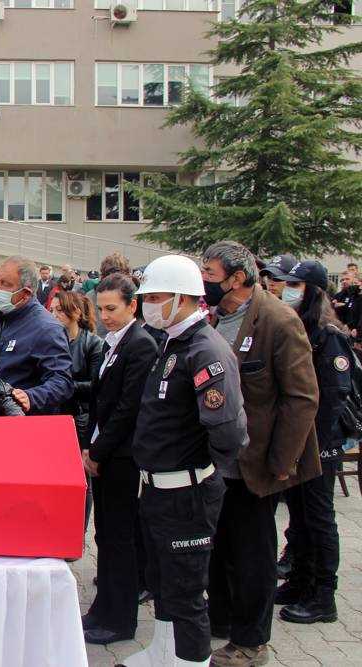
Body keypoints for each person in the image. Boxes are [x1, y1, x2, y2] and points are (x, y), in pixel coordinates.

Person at [119, 254, 248, 667]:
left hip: (187, 491)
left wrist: (201, 476)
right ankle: (164, 651)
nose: (149, 305)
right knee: (163, 580)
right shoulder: (172, 341)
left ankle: (192, 661)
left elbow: (227, 431)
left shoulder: (206, 349)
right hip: (158, 487)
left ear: (183, 297)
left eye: (156, 297)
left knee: (188, 590)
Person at [196, 242, 321, 667]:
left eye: (210, 273)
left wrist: (281, 463)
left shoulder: (277, 320)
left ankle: (252, 642)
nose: (204, 281)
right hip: (218, 463)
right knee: (222, 547)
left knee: (253, 555)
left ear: (237, 277)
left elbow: (302, 398)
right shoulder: (214, 319)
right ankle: (225, 619)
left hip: (258, 464)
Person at [80, 273, 158, 646]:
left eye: (112, 309)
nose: (105, 315)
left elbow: (128, 408)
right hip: (105, 453)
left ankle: (120, 618)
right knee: (106, 535)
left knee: (120, 539)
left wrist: (97, 451)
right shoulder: (114, 342)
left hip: (122, 456)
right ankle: (103, 607)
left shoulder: (140, 345)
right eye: (101, 308)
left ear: (133, 306)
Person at [277, 260, 352, 626]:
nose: (287, 289)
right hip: (299, 442)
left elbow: (334, 396)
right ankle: (299, 580)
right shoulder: (298, 329)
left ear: (313, 291)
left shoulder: (328, 335)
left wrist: (314, 447)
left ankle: (324, 595)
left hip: (321, 443)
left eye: (295, 284)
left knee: (319, 518)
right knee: (300, 515)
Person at [0, 257, 74, 415]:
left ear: (26, 293)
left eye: (5, 284)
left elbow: (62, 382)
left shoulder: (47, 329)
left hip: (24, 422)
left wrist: (31, 397)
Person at [50, 290, 102, 513]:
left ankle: (79, 529)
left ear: (75, 313)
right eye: (51, 310)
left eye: (59, 310)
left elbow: (96, 386)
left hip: (80, 417)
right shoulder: (50, 340)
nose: (53, 315)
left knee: (81, 479)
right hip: (53, 416)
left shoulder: (92, 343)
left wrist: (66, 386)